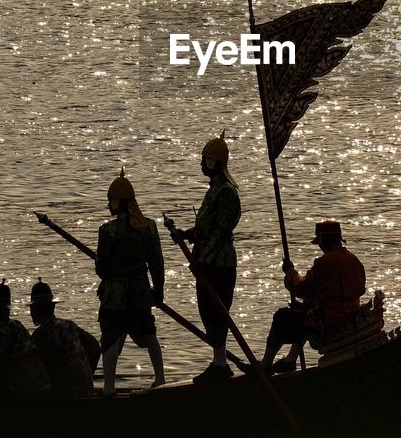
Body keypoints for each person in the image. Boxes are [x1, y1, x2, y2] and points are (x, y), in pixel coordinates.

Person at [169, 132, 241, 383]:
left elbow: (220, 232)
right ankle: (218, 360)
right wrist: (186, 234)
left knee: (217, 312)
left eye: (205, 160)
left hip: (220, 263)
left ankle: (220, 363)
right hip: (206, 262)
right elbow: (205, 228)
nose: (201, 165)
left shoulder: (228, 194)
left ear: (215, 163)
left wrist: (203, 260)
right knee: (207, 313)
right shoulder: (213, 191)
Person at [259, 221, 366, 374]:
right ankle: (290, 359)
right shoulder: (354, 260)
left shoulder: (324, 262)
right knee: (303, 312)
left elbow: (302, 288)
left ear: (326, 240)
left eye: (320, 242)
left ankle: (265, 364)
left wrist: (290, 272)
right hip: (348, 317)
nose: (319, 247)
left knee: (282, 317)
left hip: (329, 324)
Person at [96, 169, 166, 393]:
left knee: (110, 338)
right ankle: (161, 380)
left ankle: (108, 388)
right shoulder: (149, 227)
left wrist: (109, 275)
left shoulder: (108, 231)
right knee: (148, 331)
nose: (109, 206)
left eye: (111, 201)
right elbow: (157, 263)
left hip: (114, 296)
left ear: (118, 202)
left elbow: (101, 268)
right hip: (140, 292)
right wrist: (159, 289)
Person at [28, 279, 101, 397]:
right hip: (86, 390)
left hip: (63, 396)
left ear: (36, 309)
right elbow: (95, 347)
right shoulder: (69, 325)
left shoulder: (39, 335)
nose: (30, 313)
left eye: (31, 309)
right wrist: (87, 376)